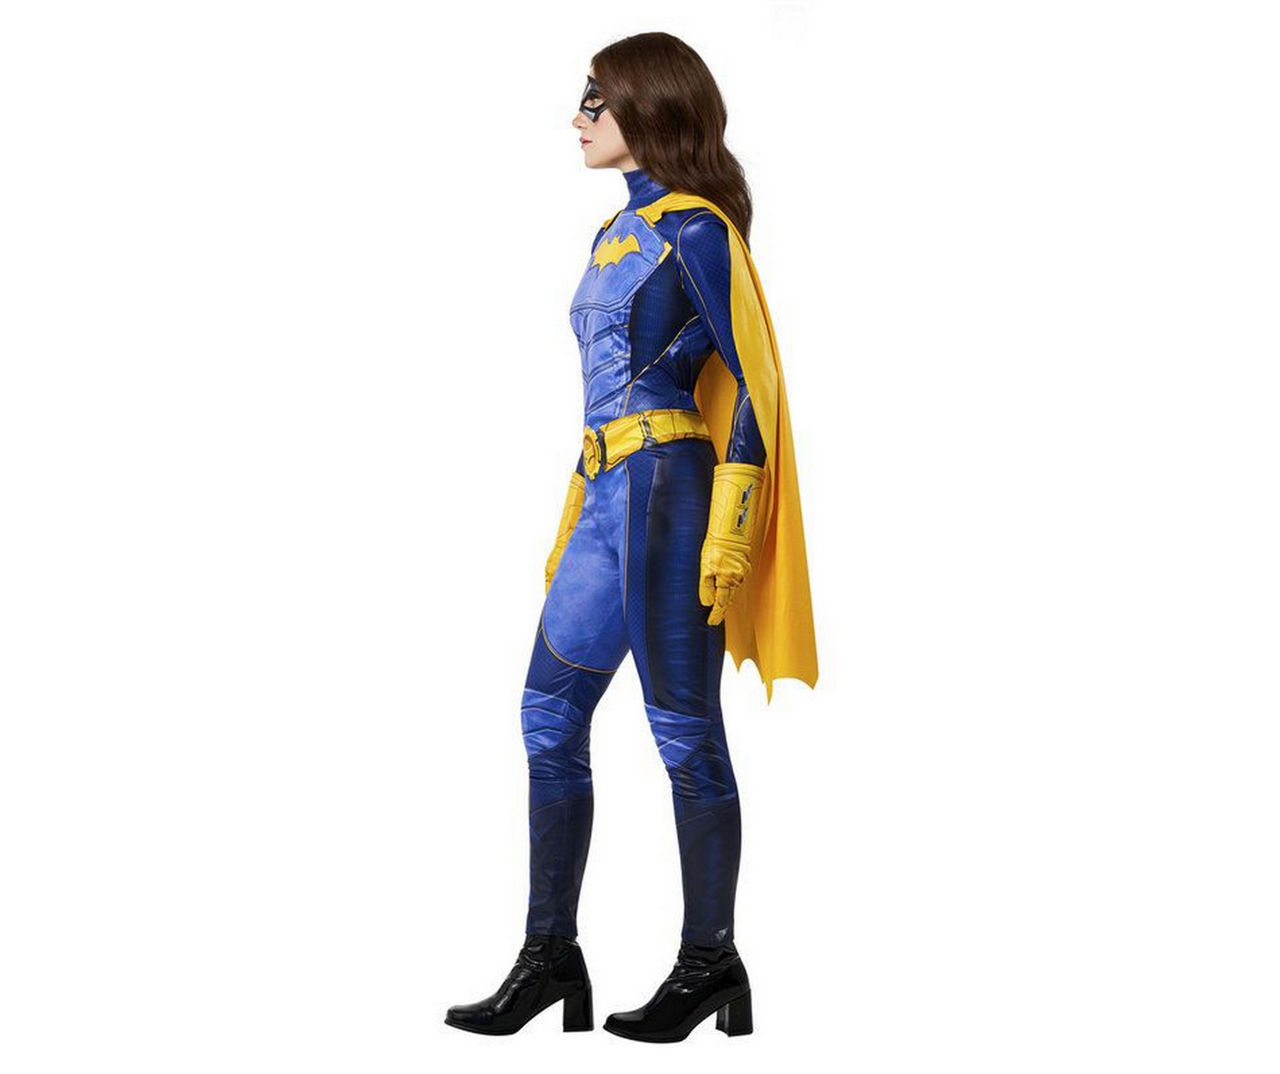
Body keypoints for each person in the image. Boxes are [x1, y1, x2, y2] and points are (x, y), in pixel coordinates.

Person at [444, 31, 817, 1043]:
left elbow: (753, 381)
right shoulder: (614, 232)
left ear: (647, 107)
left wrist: (731, 525)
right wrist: (575, 510)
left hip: (669, 493)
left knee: (683, 731)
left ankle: (709, 961)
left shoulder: (696, 229)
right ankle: (548, 956)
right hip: (605, 493)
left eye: (594, 100)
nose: (577, 118)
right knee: (545, 716)